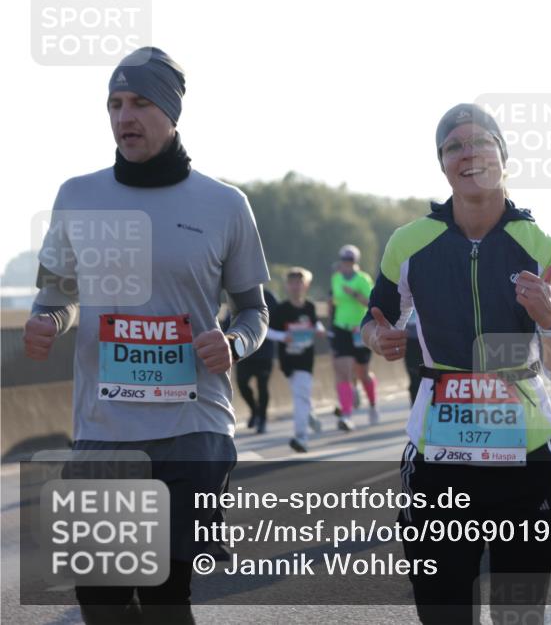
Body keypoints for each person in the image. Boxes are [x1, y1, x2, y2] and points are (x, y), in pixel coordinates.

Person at [23, 47, 270, 624]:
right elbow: (56, 298)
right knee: (103, 602)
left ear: (171, 110)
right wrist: (44, 324)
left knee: (163, 594)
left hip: (193, 426)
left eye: (139, 102)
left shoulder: (225, 203)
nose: (123, 116)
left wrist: (232, 343)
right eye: (114, 103)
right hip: (105, 429)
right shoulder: (77, 195)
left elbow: (254, 312)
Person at [362, 103, 551, 624]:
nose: (468, 153)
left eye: (480, 141)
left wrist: (549, 319)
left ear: (503, 156)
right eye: (453, 146)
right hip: (438, 458)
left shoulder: (541, 245)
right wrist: (379, 337)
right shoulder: (410, 241)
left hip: (525, 457)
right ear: (442, 165)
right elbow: (375, 319)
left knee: (517, 618)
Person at [268, 268, 327, 453]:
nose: (296, 286)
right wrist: (283, 336)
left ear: (306, 285)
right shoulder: (281, 309)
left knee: (300, 396)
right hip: (288, 361)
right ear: (287, 286)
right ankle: (311, 417)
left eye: (299, 282)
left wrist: (319, 329)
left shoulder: (309, 306)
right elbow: (267, 331)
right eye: (292, 282)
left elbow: (315, 322)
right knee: (301, 395)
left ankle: (300, 437)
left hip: (305, 359)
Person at [328, 244, 378, 430]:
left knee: (362, 373)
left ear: (355, 262)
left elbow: (372, 302)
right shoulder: (336, 278)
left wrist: (355, 294)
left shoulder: (363, 279)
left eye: (350, 261)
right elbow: (334, 302)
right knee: (344, 371)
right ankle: (347, 414)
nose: (347, 264)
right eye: (344, 260)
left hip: (360, 329)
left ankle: (373, 405)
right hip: (341, 328)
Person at [227, 288, 279, 434]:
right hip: (243, 350)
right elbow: (227, 321)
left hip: (264, 352)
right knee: (242, 384)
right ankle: (254, 410)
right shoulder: (236, 292)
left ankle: (262, 419)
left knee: (263, 386)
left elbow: (277, 320)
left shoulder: (269, 296)